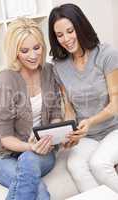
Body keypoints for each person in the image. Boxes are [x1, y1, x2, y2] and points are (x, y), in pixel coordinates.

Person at [0, 17, 62, 200]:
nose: (33, 55)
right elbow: (5, 138)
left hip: (42, 152)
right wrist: (30, 146)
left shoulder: (49, 72)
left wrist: (50, 134)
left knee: (29, 159)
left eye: (37, 48)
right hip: (4, 156)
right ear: (15, 52)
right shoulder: (4, 81)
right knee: (40, 192)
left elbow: (55, 115)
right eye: (25, 50)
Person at [48, 3, 118, 193]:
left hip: (114, 128)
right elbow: (69, 107)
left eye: (70, 31)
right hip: (87, 135)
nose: (66, 39)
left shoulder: (106, 55)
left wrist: (90, 121)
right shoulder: (59, 65)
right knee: (76, 166)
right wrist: (68, 132)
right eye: (59, 35)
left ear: (80, 26)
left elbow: (115, 105)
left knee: (98, 163)